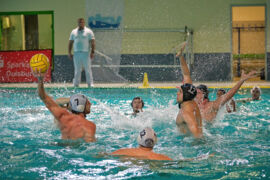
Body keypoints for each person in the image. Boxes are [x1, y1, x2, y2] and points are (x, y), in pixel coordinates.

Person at [32, 68, 96, 142]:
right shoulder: (89, 126)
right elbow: (90, 146)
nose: (90, 104)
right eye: (88, 103)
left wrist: (40, 80)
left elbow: (44, 97)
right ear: (82, 107)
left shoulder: (63, 117)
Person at [175, 42, 202, 138]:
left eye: (180, 92)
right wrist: (181, 57)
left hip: (186, 144)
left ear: (186, 96)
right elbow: (186, 74)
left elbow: (197, 132)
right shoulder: (190, 100)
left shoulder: (186, 113)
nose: (177, 93)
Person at [68, 18, 96, 88]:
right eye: (80, 22)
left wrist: (92, 52)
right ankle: (76, 84)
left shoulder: (89, 31)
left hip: (86, 53)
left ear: (84, 23)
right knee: (77, 69)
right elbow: (70, 42)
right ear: (78, 23)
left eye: (82, 22)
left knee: (88, 69)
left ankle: (90, 84)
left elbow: (93, 42)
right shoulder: (73, 32)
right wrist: (69, 52)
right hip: (76, 53)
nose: (81, 23)